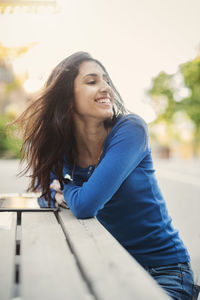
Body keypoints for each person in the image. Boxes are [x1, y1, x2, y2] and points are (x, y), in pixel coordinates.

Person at [15, 51, 199, 299]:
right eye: (92, 82)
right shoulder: (62, 148)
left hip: (163, 272)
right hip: (111, 268)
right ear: (68, 98)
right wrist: (61, 194)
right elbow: (45, 194)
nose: (106, 88)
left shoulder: (130, 130)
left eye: (106, 80)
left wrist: (67, 185)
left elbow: (85, 205)